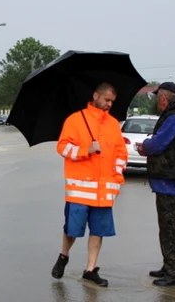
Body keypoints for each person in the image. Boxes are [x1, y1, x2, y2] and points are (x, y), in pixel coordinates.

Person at [51, 83, 128, 287]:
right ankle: (64, 255)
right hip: (79, 192)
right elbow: (62, 147)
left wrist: (117, 179)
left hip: (104, 192)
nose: (109, 104)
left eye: (112, 101)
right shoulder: (75, 120)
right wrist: (87, 149)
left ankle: (90, 270)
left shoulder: (113, 124)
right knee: (72, 230)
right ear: (95, 96)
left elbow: (121, 154)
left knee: (98, 231)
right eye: (106, 100)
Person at [135, 82, 175, 287]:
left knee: (173, 228)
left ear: (166, 97)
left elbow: (159, 143)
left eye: (158, 97)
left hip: (170, 178)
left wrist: (145, 146)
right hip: (168, 179)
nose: (157, 101)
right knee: (167, 226)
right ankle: (169, 266)